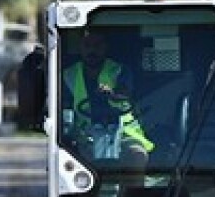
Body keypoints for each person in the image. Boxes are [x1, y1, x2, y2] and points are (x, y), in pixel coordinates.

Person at [62, 31, 154, 168]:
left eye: (97, 45)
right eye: (87, 45)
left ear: (105, 47)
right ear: (80, 48)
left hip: (124, 133)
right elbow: (63, 107)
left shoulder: (119, 70)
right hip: (84, 135)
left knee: (137, 156)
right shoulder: (68, 75)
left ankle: (133, 190)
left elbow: (125, 92)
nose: (92, 50)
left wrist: (113, 94)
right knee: (74, 160)